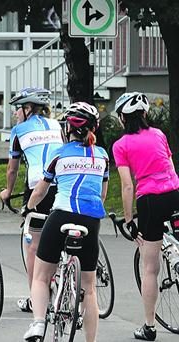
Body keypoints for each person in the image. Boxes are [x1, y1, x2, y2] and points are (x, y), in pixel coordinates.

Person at [22, 102, 107, 342]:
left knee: (40, 276)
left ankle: (38, 324)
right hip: (90, 220)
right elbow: (101, 194)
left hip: (61, 215)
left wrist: (27, 208)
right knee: (89, 289)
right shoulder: (102, 156)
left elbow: (40, 191)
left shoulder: (58, 153)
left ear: (66, 129)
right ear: (95, 128)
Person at [112, 92, 179, 341]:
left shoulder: (121, 145)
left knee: (150, 268)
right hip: (175, 193)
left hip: (150, 200)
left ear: (122, 118)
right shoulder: (159, 135)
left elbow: (128, 186)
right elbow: (171, 168)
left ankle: (149, 327)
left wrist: (129, 221)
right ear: (144, 114)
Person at [0, 87, 64, 313]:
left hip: (38, 187)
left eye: (18, 109)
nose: (17, 114)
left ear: (28, 109)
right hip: (62, 184)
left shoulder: (18, 131)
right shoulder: (57, 125)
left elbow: (12, 169)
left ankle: (35, 298)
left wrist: (7, 192)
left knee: (33, 246)